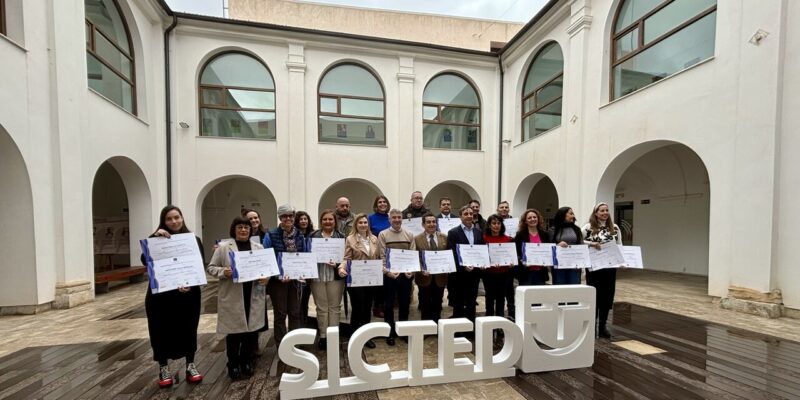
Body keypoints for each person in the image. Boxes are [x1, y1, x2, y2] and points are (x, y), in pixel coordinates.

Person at [141, 205, 204, 388]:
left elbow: (197, 265)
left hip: (188, 294)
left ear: (182, 218)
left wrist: (190, 284)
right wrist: (154, 237)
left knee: (189, 328)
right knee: (159, 329)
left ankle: (190, 364)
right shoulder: (156, 239)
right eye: (169, 219)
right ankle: (163, 367)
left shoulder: (194, 240)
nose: (174, 221)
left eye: (177, 217)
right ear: (163, 221)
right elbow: (145, 260)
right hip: (161, 296)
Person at [207, 217, 269, 379]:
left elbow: (266, 269)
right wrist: (223, 272)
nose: (243, 230)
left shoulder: (259, 247)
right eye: (240, 227)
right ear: (234, 230)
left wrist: (266, 278)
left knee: (250, 332)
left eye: (246, 227)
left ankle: (246, 361)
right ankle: (233, 364)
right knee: (234, 334)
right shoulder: (223, 248)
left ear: (250, 230)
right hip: (233, 295)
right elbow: (211, 268)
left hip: (253, 294)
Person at [263, 204, 306, 346]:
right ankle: (281, 344)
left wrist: (303, 273)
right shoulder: (271, 235)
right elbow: (267, 259)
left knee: (295, 312)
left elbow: (304, 256)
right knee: (280, 313)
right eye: (284, 216)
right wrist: (278, 276)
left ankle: (295, 342)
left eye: (290, 215)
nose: (288, 218)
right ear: (280, 218)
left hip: (295, 281)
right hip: (278, 282)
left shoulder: (300, 235)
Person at [337, 213, 380, 349]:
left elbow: (378, 258)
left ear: (368, 224)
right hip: (356, 279)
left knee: (367, 308)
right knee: (357, 308)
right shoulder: (350, 239)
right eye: (360, 222)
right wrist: (341, 268)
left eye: (365, 222)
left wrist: (384, 268)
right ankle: (354, 337)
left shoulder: (374, 239)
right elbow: (346, 258)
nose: (363, 225)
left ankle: (366, 337)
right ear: (356, 224)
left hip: (371, 279)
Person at [582, 202, 623, 339]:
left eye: (607, 210)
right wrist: (591, 243)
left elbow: (619, 245)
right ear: (596, 213)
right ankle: (592, 326)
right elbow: (579, 241)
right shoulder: (588, 227)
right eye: (602, 211)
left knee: (607, 296)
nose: (605, 213)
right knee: (595, 296)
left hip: (610, 267)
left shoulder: (615, 228)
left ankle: (603, 326)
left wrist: (623, 260)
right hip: (594, 268)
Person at [308, 209, 346, 350]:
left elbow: (346, 258)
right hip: (317, 276)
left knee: (335, 307)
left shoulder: (341, 237)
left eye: (331, 219)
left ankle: (333, 335)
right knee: (322, 308)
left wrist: (337, 264)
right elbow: (307, 255)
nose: (328, 222)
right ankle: (323, 336)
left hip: (335, 277)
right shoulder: (313, 236)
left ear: (335, 222)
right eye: (325, 219)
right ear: (321, 221)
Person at [378, 209, 416, 345]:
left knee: (404, 304)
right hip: (390, 276)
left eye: (399, 217)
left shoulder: (409, 234)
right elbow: (382, 256)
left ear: (402, 219)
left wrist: (410, 271)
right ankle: (390, 333)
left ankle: (403, 331)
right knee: (388, 305)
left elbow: (412, 255)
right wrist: (388, 272)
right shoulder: (383, 235)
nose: (397, 220)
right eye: (394, 217)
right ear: (389, 219)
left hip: (406, 275)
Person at [447, 205, 484, 324]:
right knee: (458, 302)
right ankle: (459, 328)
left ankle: (471, 326)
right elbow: (452, 252)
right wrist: (463, 266)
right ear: (460, 216)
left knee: (471, 301)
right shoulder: (453, 232)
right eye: (466, 214)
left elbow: (482, 250)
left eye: (471, 214)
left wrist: (483, 262)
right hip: (460, 274)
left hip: (475, 273)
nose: (469, 216)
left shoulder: (479, 232)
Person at [413, 213, 448, 322]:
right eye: (428, 222)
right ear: (423, 224)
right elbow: (415, 258)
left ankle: (437, 326)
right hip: (424, 278)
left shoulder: (444, 237)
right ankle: (426, 328)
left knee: (438, 303)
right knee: (425, 304)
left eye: (434, 222)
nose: (432, 224)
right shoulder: (417, 239)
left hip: (440, 277)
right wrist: (420, 270)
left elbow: (448, 255)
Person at [482, 214, 513, 319]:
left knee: (501, 297)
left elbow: (511, 256)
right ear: (489, 225)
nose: (496, 225)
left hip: (504, 273)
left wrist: (511, 262)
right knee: (489, 297)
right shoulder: (484, 238)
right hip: (489, 273)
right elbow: (482, 255)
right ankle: (489, 320)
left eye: (499, 223)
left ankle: (500, 320)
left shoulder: (508, 239)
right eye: (494, 223)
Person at [367, 195, 391, 318]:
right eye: (380, 202)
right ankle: (377, 306)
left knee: (387, 281)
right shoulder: (370, 218)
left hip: (390, 253)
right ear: (376, 205)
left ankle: (387, 305)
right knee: (378, 282)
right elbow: (368, 235)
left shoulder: (390, 218)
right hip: (376, 253)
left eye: (384, 202)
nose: (382, 204)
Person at [513, 208, 551, 286]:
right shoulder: (520, 235)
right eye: (529, 218)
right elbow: (515, 252)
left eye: (534, 217)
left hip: (541, 272)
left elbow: (549, 251)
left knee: (539, 296)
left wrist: (548, 261)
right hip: (525, 272)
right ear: (525, 221)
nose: (532, 219)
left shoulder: (545, 234)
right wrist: (522, 261)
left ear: (538, 219)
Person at [549, 206, 584, 285]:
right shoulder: (553, 230)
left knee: (574, 287)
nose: (573, 216)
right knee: (560, 288)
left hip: (574, 264)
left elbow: (581, 244)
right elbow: (549, 247)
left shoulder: (577, 229)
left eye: (573, 214)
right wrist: (557, 245)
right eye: (571, 214)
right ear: (562, 215)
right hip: (559, 265)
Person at [294, 210, 314, 325]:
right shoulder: (294, 236)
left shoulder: (314, 235)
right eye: (301, 219)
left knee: (305, 300)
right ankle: (298, 325)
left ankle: (304, 324)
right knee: (297, 302)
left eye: (305, 219)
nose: (303, 221)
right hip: (297, 272)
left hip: (309, 273)